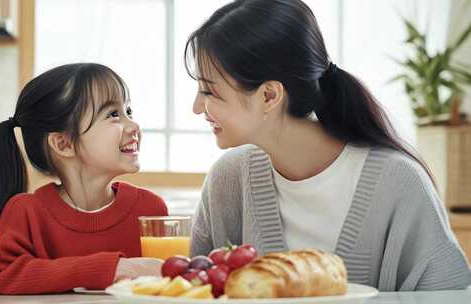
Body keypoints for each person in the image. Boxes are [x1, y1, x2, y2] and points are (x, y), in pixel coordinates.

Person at [185, 0, 471, 291]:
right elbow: (195, 290)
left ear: (269, 95)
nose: (197, 107)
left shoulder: (398, 182)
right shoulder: (228, 180)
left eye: (209, 91)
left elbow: (450, 295)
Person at [0, 63, 167, 294]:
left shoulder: (150, 209)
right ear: (64, 144)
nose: (134, 125)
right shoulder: (27, 212)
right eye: (113, 114)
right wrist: (112, 269)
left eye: (129, 112)